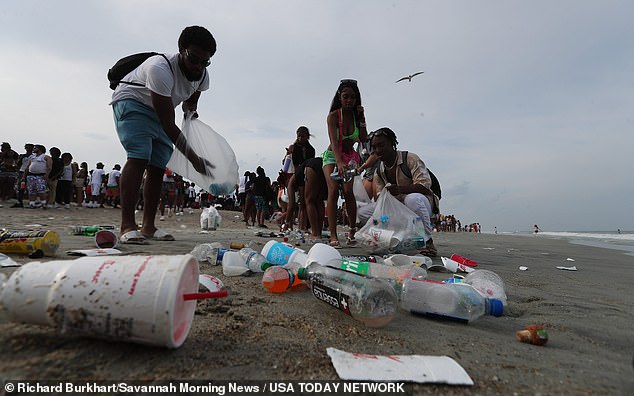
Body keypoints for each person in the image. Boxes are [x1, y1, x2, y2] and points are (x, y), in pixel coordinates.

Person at [110, 26, 216, 243]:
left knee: (158, 165)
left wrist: (190, 112)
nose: (198, 67)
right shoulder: (160, 69)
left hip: (161, 109)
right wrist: (196, 161)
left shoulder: (202, 74)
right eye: (194, 59)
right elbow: (168, 125)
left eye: (205, 62)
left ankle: (148, 226)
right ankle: (127, 225)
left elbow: (192, 98)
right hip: (133, 102)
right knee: (139, 156)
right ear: (181, 50)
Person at [358, 127, 438, 256]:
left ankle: (427, 241)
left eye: (382, 145)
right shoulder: (379, 170)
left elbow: (425, 186)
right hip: (397, 209)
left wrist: (400, 190)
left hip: (420, 205)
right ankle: (388, 239)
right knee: (362, 213)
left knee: (412, 199)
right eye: (375, 147)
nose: (378, 150)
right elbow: (380, 200)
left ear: (392, 144)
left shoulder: (410, 159)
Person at [322, 79, 368, 248]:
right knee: (333, 189)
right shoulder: (333, 117)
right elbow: (334, 142)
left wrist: (362, 118)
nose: (349, 100)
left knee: (348, 192)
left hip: (350, 156)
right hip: (332, 156)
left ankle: (351, 231)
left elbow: (363, 138)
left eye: (352, 98)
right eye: (346, 97)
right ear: (339, 98)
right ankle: (333, 235)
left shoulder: (357, 117)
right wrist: (339, 162)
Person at [11, 143, 34, 208]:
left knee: (29, 188)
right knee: (21, 187)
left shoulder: (33, 156)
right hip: (22, 172)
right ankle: (20, 201)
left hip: (29, 173)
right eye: (26, 147)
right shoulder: (23, 156)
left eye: (29, 147)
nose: (27, 149)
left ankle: (31, 202)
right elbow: (18, 164)